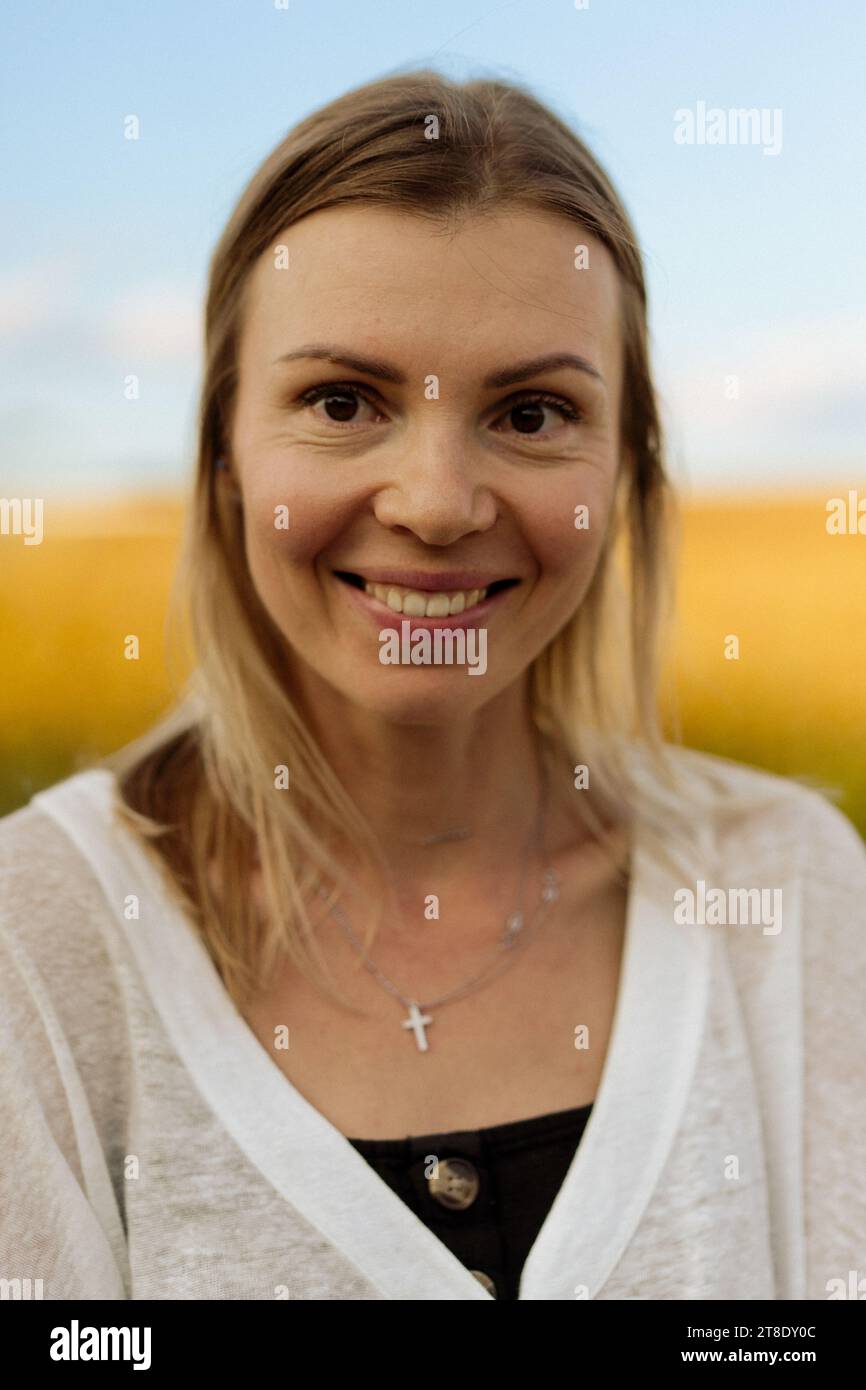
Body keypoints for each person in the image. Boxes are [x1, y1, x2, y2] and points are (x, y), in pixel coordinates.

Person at [1, 70, 863, 1303]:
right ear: (224, 453)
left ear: (625, 468)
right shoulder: (38, 942)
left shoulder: (786, 900)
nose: (437, 503)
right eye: (341, 401)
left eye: (529, 412)